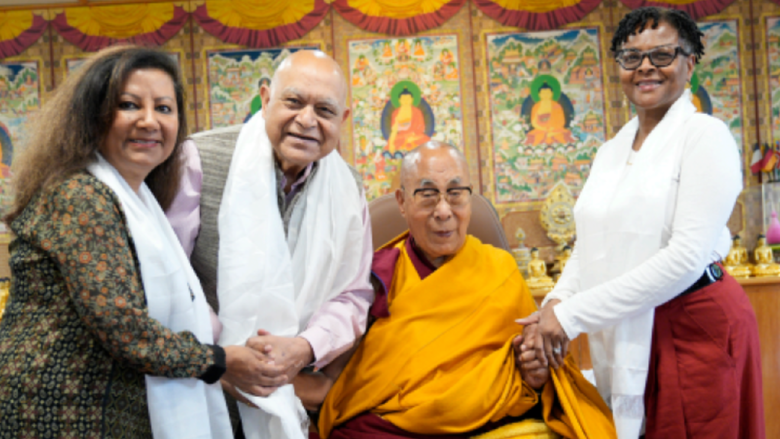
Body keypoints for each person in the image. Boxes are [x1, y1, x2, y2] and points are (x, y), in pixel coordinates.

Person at [0, 46, 277, 438]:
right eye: (129, 105)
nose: (149, 121)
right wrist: (220, 360)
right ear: (92, 117)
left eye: (164, 108)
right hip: (57, 410)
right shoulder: (80, 195)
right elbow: (122, 325)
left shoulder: (141, 203)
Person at [521, 7, 764, 439]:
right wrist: (557, 301)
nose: (646, 67)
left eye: (662, 55)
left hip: (692, 325)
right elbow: (590, 242)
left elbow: (686, 257)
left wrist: (574, 315)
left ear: (690, 63)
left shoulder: (705, 137)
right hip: (632, 322)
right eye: (631, 57)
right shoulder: (610, 151)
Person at [295, 141, 616, 439]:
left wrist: (534, 372)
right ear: (402, 203)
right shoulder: (377, 277)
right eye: (427, 195)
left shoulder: (500, 271)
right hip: (391, 428)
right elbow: (339, 383)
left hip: (493, 424)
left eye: (455, 194)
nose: (444, 211)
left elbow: (535, 377)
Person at [168, 50, 373, 438]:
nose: (307, 120)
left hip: (291, 380)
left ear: (342, 120)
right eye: (293, 102)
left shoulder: (348, 189)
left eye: (325, 110)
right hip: (199, 376)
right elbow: (171, 277)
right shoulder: (199, 158)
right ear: (265, 100)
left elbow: (353, 296)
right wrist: (224, 357)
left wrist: (303, 348)